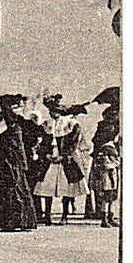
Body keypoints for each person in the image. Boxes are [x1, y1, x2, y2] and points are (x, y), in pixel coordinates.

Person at [0, 94, 37, 232]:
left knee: (13, 193)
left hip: (11, 165)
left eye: (0, 114)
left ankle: (15, 221)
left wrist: (19, 164)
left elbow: (17, 148)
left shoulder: (13, 129)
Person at [32, 94, 85, 226]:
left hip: (65, 160)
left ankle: (64, 215)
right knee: (46, 188)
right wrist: (45, 154)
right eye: (51, 110)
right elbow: (42, 142)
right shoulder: (46, 124)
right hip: (50, 160)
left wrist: (64, 156)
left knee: (66, 189)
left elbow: (74, 144)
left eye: (56, 110)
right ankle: (48, 215)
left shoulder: (71, 124)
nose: (53, 112)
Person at [88, 92, 120, 228]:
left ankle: (110, 216)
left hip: (112, 160)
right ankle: (105, 217)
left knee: (112, 190)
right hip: (106, 160)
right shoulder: (108, 127)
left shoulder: (114, 126)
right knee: (106, 189)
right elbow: (100, 141)